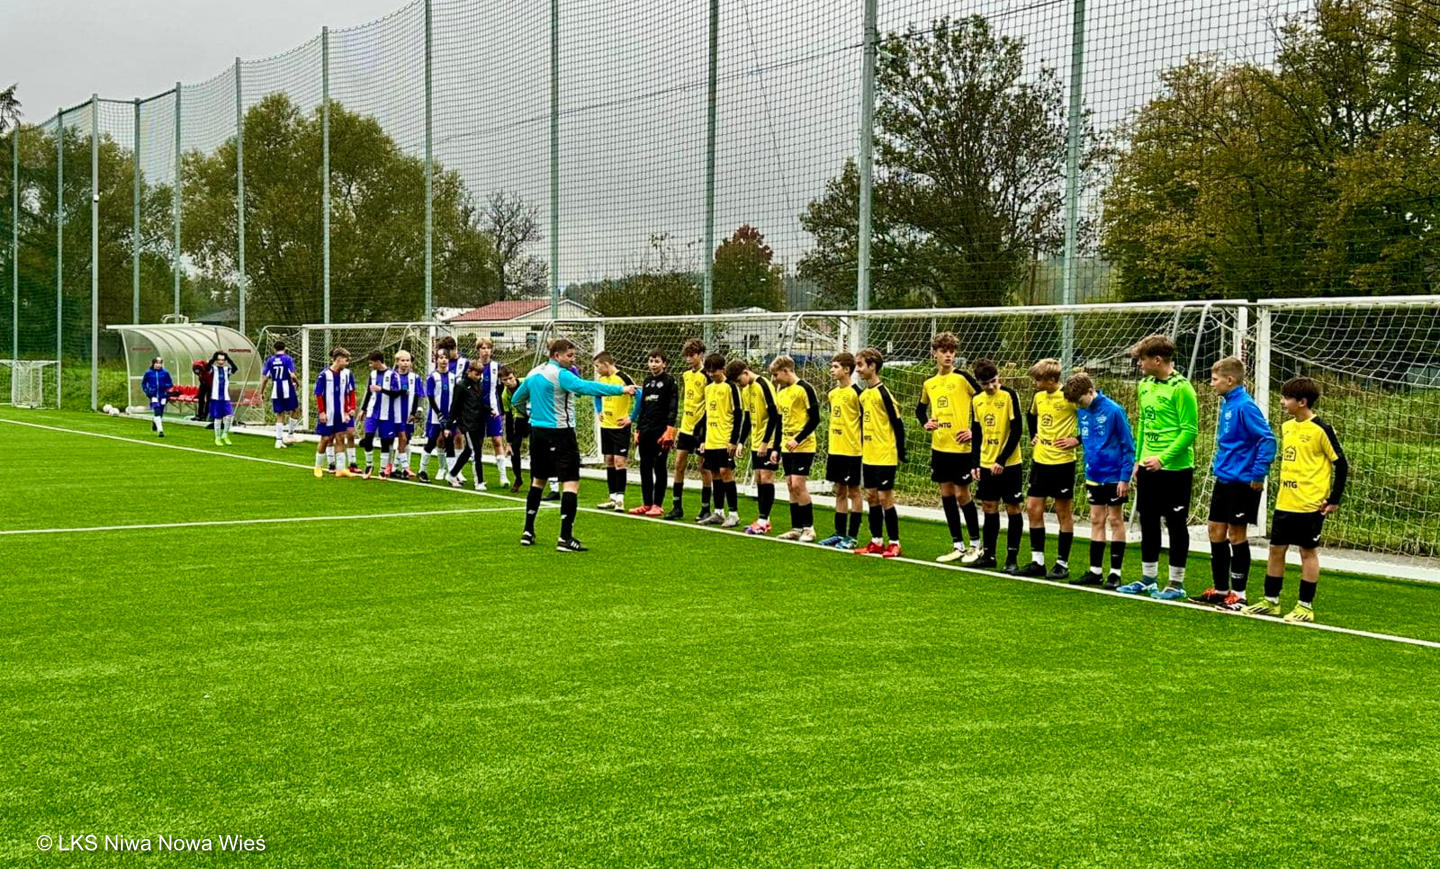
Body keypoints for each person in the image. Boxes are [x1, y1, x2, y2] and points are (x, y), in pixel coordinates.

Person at [511, 338, 635, 552]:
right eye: (570, 355)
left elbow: (516, 399)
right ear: (556, 355)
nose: (573, 359)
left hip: (537, 433)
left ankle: (528, 531)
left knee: (538, 481)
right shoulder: (561, 374)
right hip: (561, 434)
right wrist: (621, 390)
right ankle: (565, 537)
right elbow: (585, 387)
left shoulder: (533, 374)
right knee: (570, 483)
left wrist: (529, 413)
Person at [1243, 377, 1347, 624]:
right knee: (1276, 550)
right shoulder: (1287, 427)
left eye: (1286, 398)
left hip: (1311, 504)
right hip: (1285, 502)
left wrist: (1334, 499)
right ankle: (1271, 601)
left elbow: (1341, 464)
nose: (1282, 402)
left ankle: (1305, 605)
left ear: (1302, 402)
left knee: (1307, 552)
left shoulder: (1321, 429)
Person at [1117, 334, 1199, 600]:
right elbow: (1143, 424)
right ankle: (1148, 578)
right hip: (1148, 467)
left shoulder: (1182, 388)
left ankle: (1176, 583)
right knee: (1148, 520)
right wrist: (1138, 460)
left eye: (1142, 359)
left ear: (1157, 359)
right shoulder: (1144, 386)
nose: (1139, 364)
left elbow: (1189, 431)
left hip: (1176, 470)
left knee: (1175, 523)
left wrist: (1162, 458)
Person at [1195, 356, 1277, 609]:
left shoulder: (1245, 406)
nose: (1212, 384)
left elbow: (1268, 439)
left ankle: (1239, 595)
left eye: (1215, 379)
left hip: (1243, 481)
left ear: (1230, 380)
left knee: (1236, 533)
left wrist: (1257, 473)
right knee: (1214, 530)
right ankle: (1221, 590)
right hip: (1225, 477)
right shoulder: (1229, 404)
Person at [1064, 373, 1136, 588]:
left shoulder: (1114, 410)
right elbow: (1088, 437)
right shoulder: (1083, 411)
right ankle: (1095, 571)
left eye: (1080, 400)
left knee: (1115, 519)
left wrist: (1125, 477)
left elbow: (1128, 445)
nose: (1078, 405)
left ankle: (1115, 572)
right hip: (1093, 474)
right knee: (1096, 519)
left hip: (1114, 476)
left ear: (1090, 391)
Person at [918, 332, 983, 563]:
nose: (948, 355)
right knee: (946, 494)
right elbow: (920, 409)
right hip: (940, 447)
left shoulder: (963, 378)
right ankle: (958, 544)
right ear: (934, 353)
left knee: (962, 493)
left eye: (952, 352)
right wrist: (926, 422)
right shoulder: (929, 383)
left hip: (961, 449)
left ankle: (976, 544)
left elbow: (984, 401)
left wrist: (974, 431)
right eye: (944, 351)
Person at [1021, 358, 1079, 579]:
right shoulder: (1038, 397)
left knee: (1064, 512)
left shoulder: (1069, 397)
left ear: (1052, 379)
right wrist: (1034, 434)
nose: (1036, 383)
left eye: (1039, 379)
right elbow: (1031, 415)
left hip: (1062, 463)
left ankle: (1062, 563)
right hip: (1040, 461)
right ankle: (1038, 561)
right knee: (1033, 507)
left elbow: (1089, 420)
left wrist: (1077, 440)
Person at [969, 358, 1024, 571]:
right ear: (979, 383)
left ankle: (1012, 558)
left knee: (1013, 508)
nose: (991, 386)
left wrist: (1001, 460)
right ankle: (989, 555)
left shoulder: (1009, 395)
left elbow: (1017, 430)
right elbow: (976, 432)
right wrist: (974, 463)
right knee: (989, 507)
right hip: (985, 463)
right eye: (985, 384)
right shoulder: (976, 400)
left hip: (1009, 464)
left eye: (994, 381)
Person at [855, 347, 907, 558]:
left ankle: (894, 542)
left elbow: (898, 423)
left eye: (860, 365)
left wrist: (901, 452)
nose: (857, 369)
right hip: (869, 454)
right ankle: (876, 540)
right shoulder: (864, 395)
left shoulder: (884, 393)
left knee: (885, 497)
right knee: (871, 496)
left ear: (872, 366)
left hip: (885, 454)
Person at [770, 355, 820, 542]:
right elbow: (780, 423)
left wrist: (798, 439)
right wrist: (776, 448)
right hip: (786, 446)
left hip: (804, 446)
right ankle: (796, 527)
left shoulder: (805, 389)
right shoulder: (782, 393)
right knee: (790, 485)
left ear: (786, 370)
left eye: (776, 375)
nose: (775, 379)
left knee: (799, 484)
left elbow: (815, 419)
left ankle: (809, 528)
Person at [818, 352, 865, 550]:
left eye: (835, 366)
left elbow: (865, 422)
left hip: (852, 451)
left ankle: (852, 536)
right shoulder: (832, 394)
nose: (832, 370)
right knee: (838, 490)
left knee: (854, 491)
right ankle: (839, 533)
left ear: (847, 370)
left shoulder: (858, 394)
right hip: (835, 449)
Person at [665, 339, 712, 521]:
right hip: (685, 427)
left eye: (692, 355)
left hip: (701, 430)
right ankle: (677, 506)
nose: (688, 359)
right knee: (678, 465)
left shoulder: (707, 376)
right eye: (686, 356)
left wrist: (705, 430)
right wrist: (679, 427)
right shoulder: (686, 375)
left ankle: (705, 508)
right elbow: (687, 402)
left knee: (703, 467)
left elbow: (709, 404)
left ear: (700, 355)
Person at [734, 360, 781, 534]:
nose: (739, 385)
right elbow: (747, 418)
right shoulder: (746, 390)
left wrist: (765, 442)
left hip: (768, 441)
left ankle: (763, 520)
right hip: (756, 441)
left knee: (767, 478)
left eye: (739, 380)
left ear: (746, 372)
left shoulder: (764, 385)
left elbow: (775, 415)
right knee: (759, 478)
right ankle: (763, 519)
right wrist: (741, 441)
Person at [698, 356, 745, 527]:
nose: (711, 374)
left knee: (726, 472)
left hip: (725, 439)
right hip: (711, 439)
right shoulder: (709, 388)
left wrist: (734, 440)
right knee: (715, 474)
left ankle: (734, 513)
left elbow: (739, 414)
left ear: (722, 369)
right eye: (708, 371)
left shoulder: (731, 387)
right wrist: (702, 439)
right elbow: (706, 415)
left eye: (714, 370)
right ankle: (718, 511)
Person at [630, 349, 678, 516]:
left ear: (664, 364)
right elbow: (643, 407)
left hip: (661, 431)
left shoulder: (670, 381)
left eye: (657, 361)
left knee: (659, 467)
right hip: (646, 430)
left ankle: (658, 504)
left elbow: (673, 408)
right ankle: (646, 503)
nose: (653, 364)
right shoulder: (647, 381)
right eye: (651, 361)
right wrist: (637, 429)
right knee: (644, 466)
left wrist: (670, 429)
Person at [592, 351, 637, 510]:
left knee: (620, 462)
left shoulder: (623, 378)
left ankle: (620, 499)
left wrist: (631, 417)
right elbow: (596, 394)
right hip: (606, 426)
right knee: (609, 460)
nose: (597, 370)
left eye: (598, 366)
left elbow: (639, 394)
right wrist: (599, 410)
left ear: (606, 364)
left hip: (620, 427)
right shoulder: (602, 380)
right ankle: (612, 497)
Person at [357, 350, 404, 479]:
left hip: (387, 414)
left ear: (378, 362)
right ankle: (369, 465)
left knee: (385, 442)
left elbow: (397, 393)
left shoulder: (393, 375)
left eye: (371, 363)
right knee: (368, 438)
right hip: (372, 412)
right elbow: (368, 392)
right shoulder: (372, 374)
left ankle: (383, 470)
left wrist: (381, 390)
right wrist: (363, 409)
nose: (370, 365)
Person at [447, 360, 491, 490]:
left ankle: (452, 474)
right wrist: (449, 426)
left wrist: (490, 410)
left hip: (478, 422)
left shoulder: (479, 385)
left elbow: (480, 403)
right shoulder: (461, 386)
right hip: (467, 423)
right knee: (475, 451)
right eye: (476, 374)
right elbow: (454, 407)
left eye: (480, 374)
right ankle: (479, 481)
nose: (478, 377)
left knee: (468, 450)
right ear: (469, 371)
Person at [313, 347, 356, 478]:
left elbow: (349, 393)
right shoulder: (324, 375)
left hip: (341, 413)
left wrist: (348, 410)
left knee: (340, 438)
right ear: (339, 359)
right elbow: (319, 394)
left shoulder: (345, 375)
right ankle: (318, 466)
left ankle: (340, 469)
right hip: (328, 413)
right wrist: (321, 412)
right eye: (346, 360)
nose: (347, 363)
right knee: (326, 438)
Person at [474, 338, 510, 490]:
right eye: (482, 348)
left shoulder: (497, 366)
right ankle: (477, 477)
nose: (485, 350)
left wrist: (501, 409)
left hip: (494, 410)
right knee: (478, 444)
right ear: (478, 350)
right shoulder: (473, 367)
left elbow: (503, 387)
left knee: (497, 440)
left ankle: (503, 476)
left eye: (488, 347)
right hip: (477, 412)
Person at [435, 336, 470, 485]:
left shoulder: (464, 363)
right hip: (443, 404)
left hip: (459, 406)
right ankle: (442, 467)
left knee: (457, 437)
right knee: (442, 437)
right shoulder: (440, 364)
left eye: (448, 352)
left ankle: (457, 470)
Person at [418, 351, 457, 483]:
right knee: (431, 442)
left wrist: (452, 414)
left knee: (449, 443)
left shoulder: (453, 377)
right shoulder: (432, 377)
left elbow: (455, 397)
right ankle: (422, 471)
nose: (444, 360)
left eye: (446, 358)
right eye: (441, 358)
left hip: (449, 416)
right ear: (436, 360)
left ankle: (452, 474)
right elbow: (430, 396)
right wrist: (438, 413)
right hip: (435, 417)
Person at [259, 340, 300, 449]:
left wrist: (261, 392)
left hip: (276, 388)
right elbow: (292, 375)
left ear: (274, 349)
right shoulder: (288, 359)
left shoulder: (270, 360)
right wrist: (297, 383)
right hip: (287, 387)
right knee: (295, 409)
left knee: (280, 414)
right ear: (285, 348)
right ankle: (290, 434)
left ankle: (278, 441)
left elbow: (265, 378)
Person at [394, 350, 423, 479]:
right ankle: (393, 467)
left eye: (408, 361)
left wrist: (416, 411)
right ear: (397, 362)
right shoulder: (392, 376)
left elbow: (418, 395)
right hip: (394, 414)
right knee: (396, 440)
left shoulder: (415, 378)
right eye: (403, 361)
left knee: (406, 440)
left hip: (408, 415)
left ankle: (401, 468)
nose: (405, 363)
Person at [500, 366, 529, 493]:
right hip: (520, 419)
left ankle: (537, 479)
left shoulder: (526, 383)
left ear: (515, 376)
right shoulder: (505, 395)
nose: (508, 382)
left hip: (535, 418)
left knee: (536, 448)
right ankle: (518, 478)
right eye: (505, 380)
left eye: (510, 378)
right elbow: (508, 417)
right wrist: (509, 442)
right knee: (514, 449)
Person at [207, 351, 238, 447]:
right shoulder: (213, 369)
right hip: (216, 397)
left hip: (225, 397)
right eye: (219, 360)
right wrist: (213, 359)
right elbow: (206, 367)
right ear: (216, 360)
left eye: (223, 360)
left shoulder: (226, 369)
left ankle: (225, 434)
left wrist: (228, 358)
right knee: (218, 418)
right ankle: (217, 437)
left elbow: (235, 368)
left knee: (229, 416)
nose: (221, 362)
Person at [141, 356, 173, 438]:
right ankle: (160, 430)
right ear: (153, 364)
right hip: (153, 396)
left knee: (161, 412)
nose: (158, 365)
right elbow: (143, 384)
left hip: (163, 396)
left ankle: (155, 422)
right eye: (157, 363)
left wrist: (167, 391)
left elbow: (170, 384)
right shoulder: (148, 373)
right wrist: (147, 391)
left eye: (160, 363)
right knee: (157, 410)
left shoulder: (165, 373)